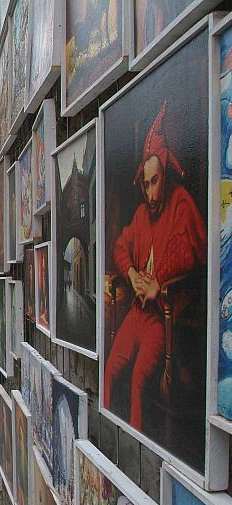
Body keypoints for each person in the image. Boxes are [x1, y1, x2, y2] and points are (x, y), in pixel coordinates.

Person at [103, 102, 207, 431]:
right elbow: (120, 246)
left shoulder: (181, 203)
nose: (150, 192)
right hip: (138, 313)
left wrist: (158, 281)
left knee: (137, 382)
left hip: (163, 316)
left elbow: (191, 250)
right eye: (145, 184)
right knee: (109, 372)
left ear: (165, 176)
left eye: (155, 181)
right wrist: (132, 274)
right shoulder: (140, 214)